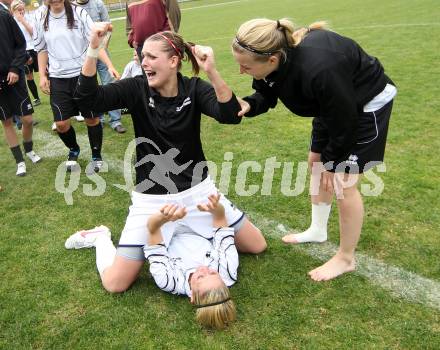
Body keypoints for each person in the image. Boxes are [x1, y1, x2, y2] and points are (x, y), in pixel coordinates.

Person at [67, 25, 266, 295]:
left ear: (173, 62)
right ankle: (100, 237)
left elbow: (229, 114)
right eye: (142, 56)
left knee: (257, 245)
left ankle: (185, 238)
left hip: (199, 193)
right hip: (153, 200)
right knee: (115, 284)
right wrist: (93, 49)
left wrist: (211, 70)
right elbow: (86, 101)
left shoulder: (194, 88)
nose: (143, 62)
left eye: (150, 57)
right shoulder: (136, 88)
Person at [232, 18, 396, 281]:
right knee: (315, 162)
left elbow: (345, 122)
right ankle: (318, 230)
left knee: (343, 181)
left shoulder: (319, 70)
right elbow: (267, 91)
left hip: (365, 103)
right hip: (333, 103)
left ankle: (345, 258)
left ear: (272, 59)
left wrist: (334, 163)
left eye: (246, 67)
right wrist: (250, 104)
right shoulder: (277, 59)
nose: (241, 71)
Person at [33, 0, 119, 173]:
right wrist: (42, 75)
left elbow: (94, 43)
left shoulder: (78, 12)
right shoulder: (39, 15)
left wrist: (109, 65)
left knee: (91, 118)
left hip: (84, 74)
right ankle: (74, 149)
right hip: (58, 78)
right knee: (61, 124)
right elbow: (41, 49)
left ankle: (96, 156)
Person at [145, 194, 237, 329]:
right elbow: (220, 220)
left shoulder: (168, 280)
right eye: (213, 273)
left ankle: (101, 236)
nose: (203, 269)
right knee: (257, 246)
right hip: (199, 221)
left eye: (200, 277)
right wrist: (216, 209)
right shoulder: (228, 270)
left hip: (164, 229)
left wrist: (162, 217)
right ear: (223, 282)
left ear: (192, 297)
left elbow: (152, 229)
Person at [0, 0, 42, 176]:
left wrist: (15, 68)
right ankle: (19, 162)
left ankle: (29, 150)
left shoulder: (4, 17)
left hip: (14, 76)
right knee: (7, 121)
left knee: (27, 119)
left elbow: (20, 44)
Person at [74, 0, 126, 133]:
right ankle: (99, 118)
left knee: (109, 84)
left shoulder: (98, 4)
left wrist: (105, 45)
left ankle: (116, 120)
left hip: (102, 53)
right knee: (91, 87)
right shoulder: (72, 8)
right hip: (84, 56)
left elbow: (109, 26)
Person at [10, 0, 41, 106]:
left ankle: (53, 93)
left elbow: (33, 32)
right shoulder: (12, 22)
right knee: (29, 76)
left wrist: (23, 20)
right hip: (23, 52)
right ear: (13, 11)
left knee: (45, 73)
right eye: (19, 10)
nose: (22, 11)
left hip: (35, 49)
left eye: (23, 9)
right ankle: (36, 98)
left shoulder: (29, 18)